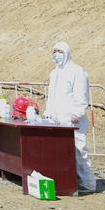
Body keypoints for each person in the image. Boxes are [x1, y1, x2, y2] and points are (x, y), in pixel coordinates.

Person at [44, 41, 97, 193]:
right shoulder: (54, 73)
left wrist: (77, 113)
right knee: (61, 153)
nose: (56, 54)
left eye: (59, 51)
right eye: (54, 51)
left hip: (73, 121)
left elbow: (82, 95)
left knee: (79, 152)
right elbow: (52, 96)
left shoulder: (77, 71)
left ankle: (88, 184)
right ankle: (69, 180)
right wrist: (48, 112)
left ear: (66, 52)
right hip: (56, 120)